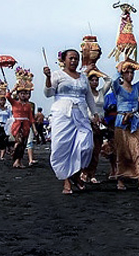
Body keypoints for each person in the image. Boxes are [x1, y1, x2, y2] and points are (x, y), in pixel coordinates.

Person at [43, 49, 97, 194]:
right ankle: (67, 179)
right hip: (62, 113)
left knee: (87, 146)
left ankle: (75, 173)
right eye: (71, 58)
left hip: (81, 113)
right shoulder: (57, 75)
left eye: (76, 59)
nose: (74, 61)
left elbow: (89, 97)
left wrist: (95, 113)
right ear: (64, 60)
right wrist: (48, 78)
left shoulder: (83, 77)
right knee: (62, 146)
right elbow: (48, 93)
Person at [111, 61, 139, 191]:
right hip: (121, 120)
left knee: (137, 150)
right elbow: (113, 81)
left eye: (131, 72)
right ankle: (121, 180)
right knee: (121, 151)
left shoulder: (136, 87)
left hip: (135, 121)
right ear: (122, 75)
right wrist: (120, 68)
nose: (130, 75)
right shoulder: (118, 88)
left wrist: (138, 65)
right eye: (127, 72)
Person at [84, 72, 112, 183]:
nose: (95, 82)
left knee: (96, 150)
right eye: (92, 80)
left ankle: (92, 174)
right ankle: (84, 172)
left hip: (100, 123)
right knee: (87, 149)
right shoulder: (86, 93)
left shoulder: (101, 93)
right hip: (88, 122)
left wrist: (98, 71)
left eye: (96, 80)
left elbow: (109, 80)